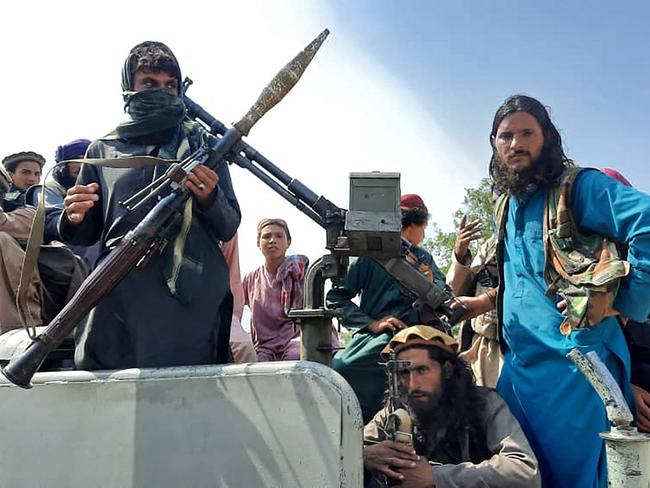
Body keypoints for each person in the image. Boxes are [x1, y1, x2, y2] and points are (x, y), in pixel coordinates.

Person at [457, 95, 650, 487]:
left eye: (527, 132)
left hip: (576, 374)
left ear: (547, 137)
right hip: (517, 373)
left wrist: (627, 300)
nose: (516, 144)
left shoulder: (579, 187)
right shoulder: (505, 204)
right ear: (493, 143)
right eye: (506, 136)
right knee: (522, 476)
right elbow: (526, 280)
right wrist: (477, 303)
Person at [55, 41, 240, 369]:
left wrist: (209, 197)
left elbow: (228, 224)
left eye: (170, 85)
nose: (162, 92)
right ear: (129, 88)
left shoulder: (206, 147)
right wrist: (73, 216)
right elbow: (85, 232)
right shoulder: (102, 150)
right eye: (149, 83)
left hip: (192, 297)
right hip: (121, 289)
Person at [363, 325, 540, 488]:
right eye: (404, 373)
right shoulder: (394, 412)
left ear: (447, 370)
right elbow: (347, 450)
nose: (412, 385)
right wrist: (365, 456)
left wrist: (435, 477)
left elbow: (524, 471)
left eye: (422, 370)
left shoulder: (485, 404)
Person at [328, 194, 447, 422]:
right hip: (380, 338)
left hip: (420, 336)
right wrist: (372, 324)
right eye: (424, 226)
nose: (424, 233)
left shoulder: (424, 258)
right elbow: (336, 298)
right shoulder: (371, 257)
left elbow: (445, 297)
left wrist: (431, 281)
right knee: (343, 367)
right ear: (415, 224)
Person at [446, 214, 503, 388]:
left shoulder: (538, 242)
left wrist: (482, 302)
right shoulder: (490, 246)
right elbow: (455, 293)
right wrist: (460, 253)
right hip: (482, 350)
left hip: (521, 346)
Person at [242, 218, 309, 361]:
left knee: (294, 358)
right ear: (258, 244)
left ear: (288, 242)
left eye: (279, 236)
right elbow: (234, 309)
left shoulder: (300, 272)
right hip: (265, 346)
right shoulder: (251, 279)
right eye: (266, 236)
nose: (272, 240)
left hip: (296, 339)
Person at [0, 164, 42, 333]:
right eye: (26, 173)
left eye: (37, 174)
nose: (32, 179)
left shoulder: (26, 215)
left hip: (19, 333)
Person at [221, 234, 257, 363]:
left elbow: (233, 278)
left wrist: (233, 318)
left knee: (242, 346)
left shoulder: (224, 221)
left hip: (215, 305)